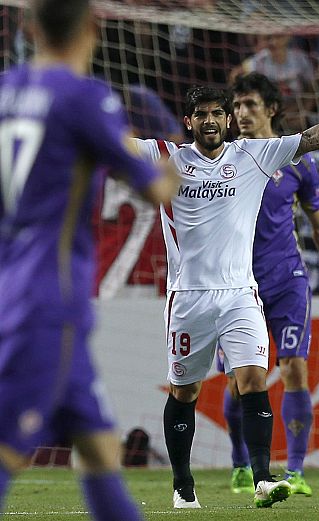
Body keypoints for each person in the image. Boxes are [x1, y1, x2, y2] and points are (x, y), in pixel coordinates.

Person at [133, 82, 319, 509]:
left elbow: (312, 137)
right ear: (189, 122)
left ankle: (264, 479)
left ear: (227, 120)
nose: (210, 121)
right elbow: (107, 142)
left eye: (217, 113)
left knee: (253, 380)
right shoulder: (166, 158)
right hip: (188, 297)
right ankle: (182, 485)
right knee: (185, 392)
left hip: (240, 295)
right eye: (201, 115)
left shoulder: (252, 155)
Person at [0, 1, 176, 520]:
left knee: (100, 450)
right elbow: (155, 188)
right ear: (95, 27)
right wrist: (181, 167)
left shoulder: (5, 90)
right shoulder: (84, 98)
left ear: (29, 27)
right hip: (47, 300)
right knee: (8, 449)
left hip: (13, 283)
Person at [217, 72, 319, 497]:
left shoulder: (296, 159)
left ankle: (295, 471)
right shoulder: (224, 157)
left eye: (250, 104)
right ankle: (241, 463)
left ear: (271, 109)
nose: (241, 113)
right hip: (236, 284)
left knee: (294, 369)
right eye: (236, 106)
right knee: (241, 381)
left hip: (286, 279)